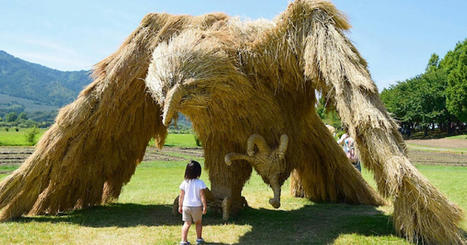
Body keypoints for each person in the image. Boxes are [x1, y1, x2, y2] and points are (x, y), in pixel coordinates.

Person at [179, 160, 207, 245]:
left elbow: (181, 196)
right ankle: (199, 239)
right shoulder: (200, 183)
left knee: (186, 223)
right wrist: (205, 206)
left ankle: (183, 241)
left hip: (186, 206)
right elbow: (202, 196)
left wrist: (180, 206)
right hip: (196, 207)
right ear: (198, 171)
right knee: (198, 223)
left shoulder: (184, 182)